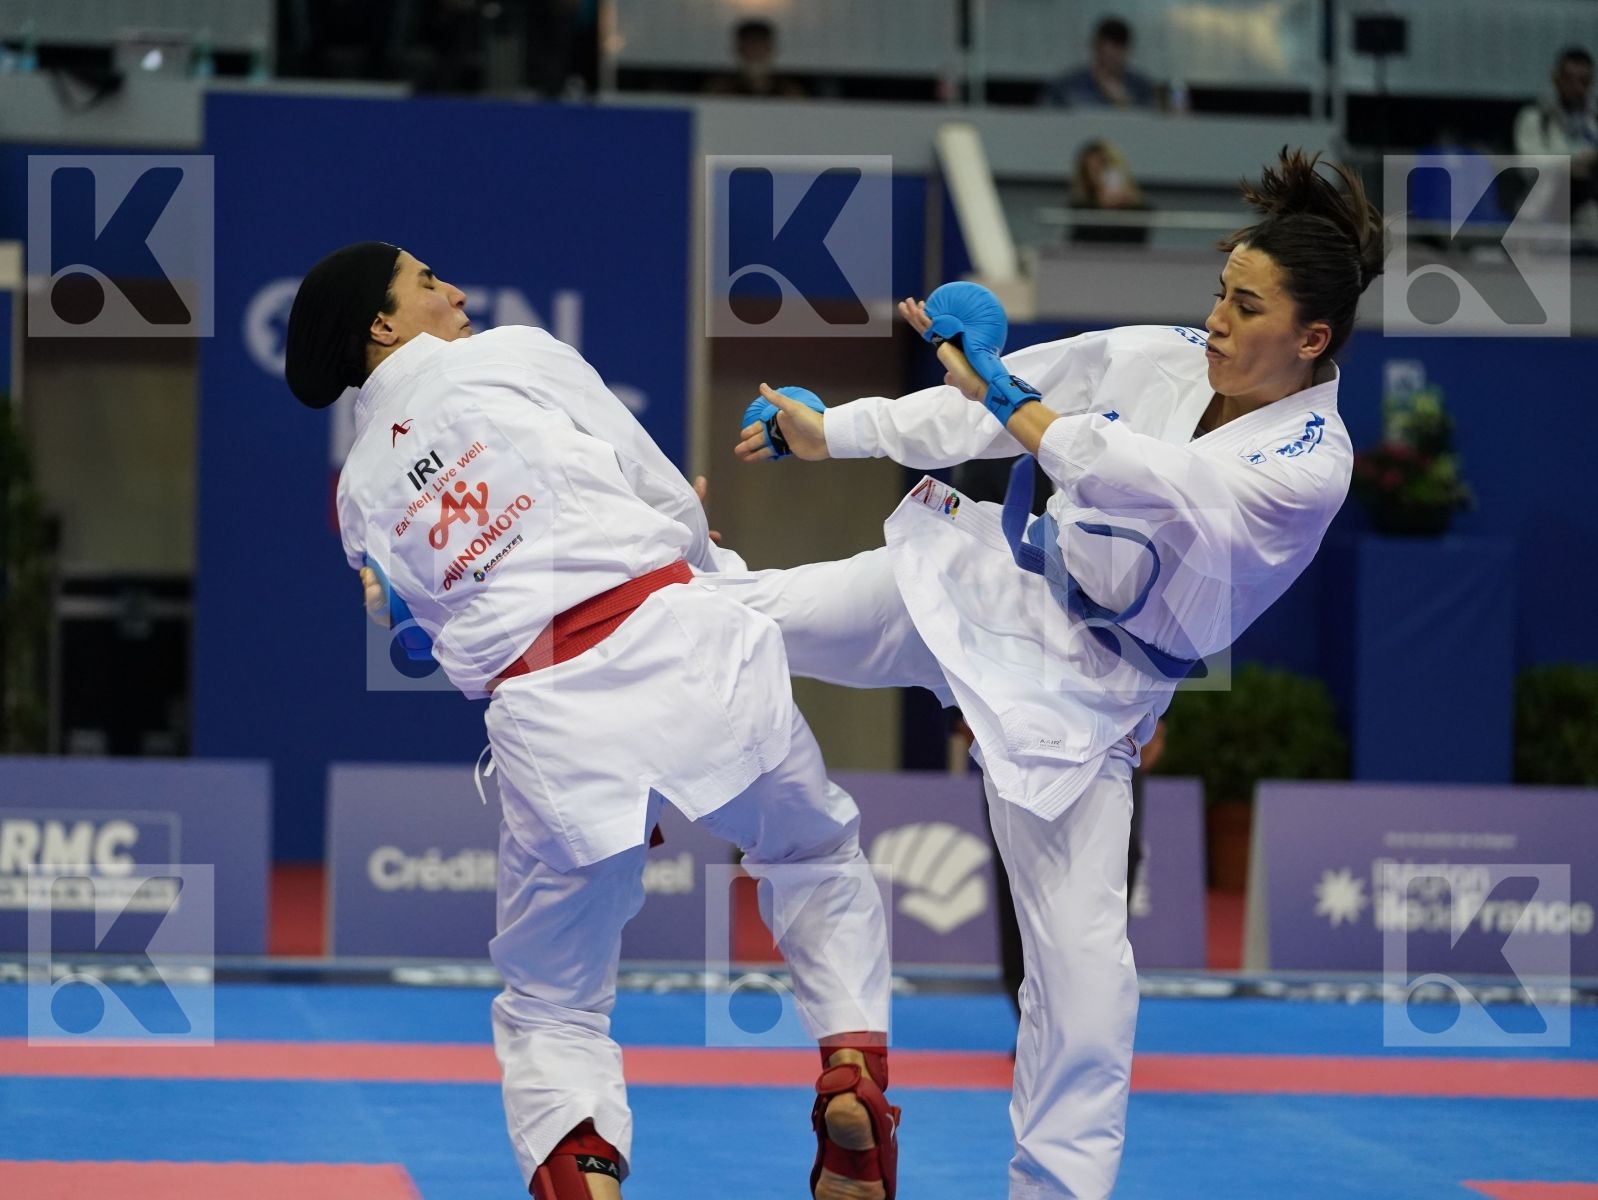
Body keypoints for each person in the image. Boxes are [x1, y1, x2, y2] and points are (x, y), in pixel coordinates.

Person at [726, 149, 1381, 1197]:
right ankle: (529, 607)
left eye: (1244, 305)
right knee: (745, 615)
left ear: (1309, 338)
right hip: (992, 586)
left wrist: (1000, 387)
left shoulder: (1307, 465)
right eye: (1218, 291)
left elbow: (1121, 470)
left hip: (1087, 700)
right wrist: (833, 431)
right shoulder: (1165, 357)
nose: (1214, 318)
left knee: (1081, 984)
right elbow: (1006, 398)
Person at [285, 242, 898, 1200]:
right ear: (382, 323)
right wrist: (687, 550)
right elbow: (658, 487)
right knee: (811, 853)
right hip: (674, 636)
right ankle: (853, 1070)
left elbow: (429, 634)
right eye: (428, 281)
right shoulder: (509, 354)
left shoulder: (357, 488)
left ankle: (583, 1173)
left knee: (553, 1003)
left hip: (545, 712)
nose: (456, 287)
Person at [1513, 46, 1598, 228]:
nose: (1576, 88)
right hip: (1541, 207)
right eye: (1569, 80)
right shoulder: (1535, 118)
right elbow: (1528, 166)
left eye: (1583, 81)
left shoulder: (1593, 123)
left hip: (1584, 205)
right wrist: (1569, 166)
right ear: (1556, 79)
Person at [1039, 16, 1156, 110]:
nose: (1112, 58)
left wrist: (1124, 103)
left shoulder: (1141, 86)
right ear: (1095, 47)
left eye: (1119, 50)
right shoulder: (1067, 86)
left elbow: (1152, 122)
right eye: (1107, 51)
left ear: (1127, 51)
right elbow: (1045, 119)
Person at [702, 18, 808, 98]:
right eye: (750, 45)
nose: (754, 51)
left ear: (770, 49)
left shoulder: (789, 91)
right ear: (739, 49)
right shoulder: (720, 89)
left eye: (759, 45)